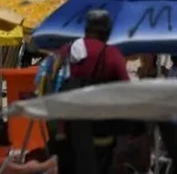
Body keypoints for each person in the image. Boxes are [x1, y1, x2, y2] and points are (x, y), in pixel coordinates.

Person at [48, 10, 130, 174]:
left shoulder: (65, 51)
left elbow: (48, 81)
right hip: (99, 130)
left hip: (65, 130)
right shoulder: (111, 54)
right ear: (106, 31)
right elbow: (126, 91)